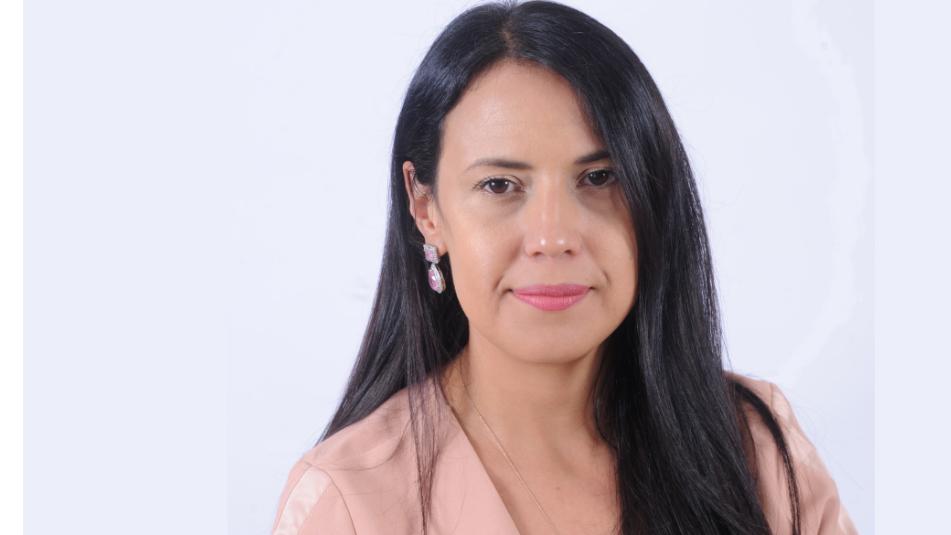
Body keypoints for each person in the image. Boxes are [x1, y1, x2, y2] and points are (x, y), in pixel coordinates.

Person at [270, 1, 858, 533]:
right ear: (426, 209)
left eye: (599, 178)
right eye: (500, 185)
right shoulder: (348, 503)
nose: (553, 239)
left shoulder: (758, 451)